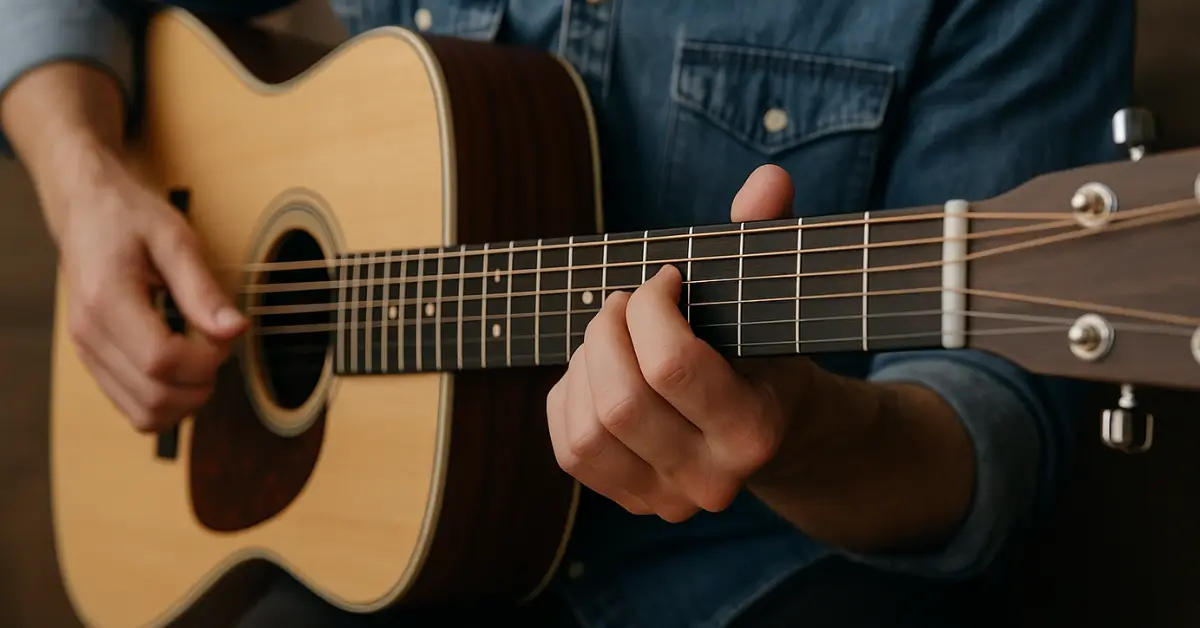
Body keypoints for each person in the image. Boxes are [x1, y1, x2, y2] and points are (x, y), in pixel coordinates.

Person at [0, 0, 1131, 626]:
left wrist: (807, 430)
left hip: (760, 569)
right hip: (386, 547)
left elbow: (999, 436)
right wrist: (83, 179)